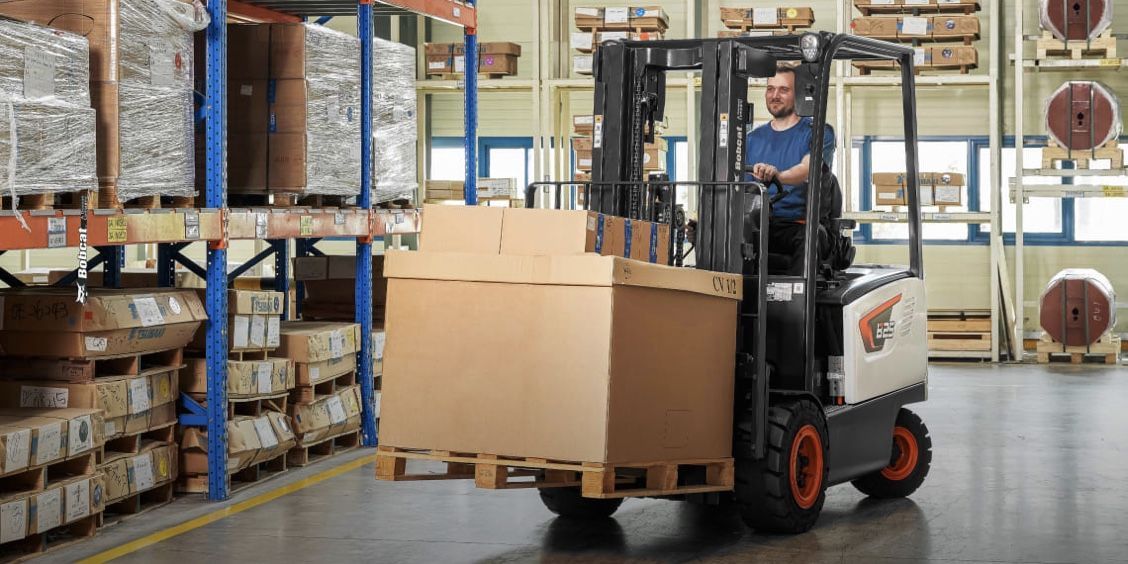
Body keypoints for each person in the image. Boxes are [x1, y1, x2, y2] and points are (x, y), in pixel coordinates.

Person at [745, 64, 836, 274]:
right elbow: (738, 187)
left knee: (810, 236)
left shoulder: (817, 132)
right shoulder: (750, 140)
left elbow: (807, 169)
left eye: (783, 89)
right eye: (770, 89)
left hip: (799, 224)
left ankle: (796, 303)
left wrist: (780, 176)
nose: (775, 95)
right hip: (760, 224)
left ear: (800, 94)